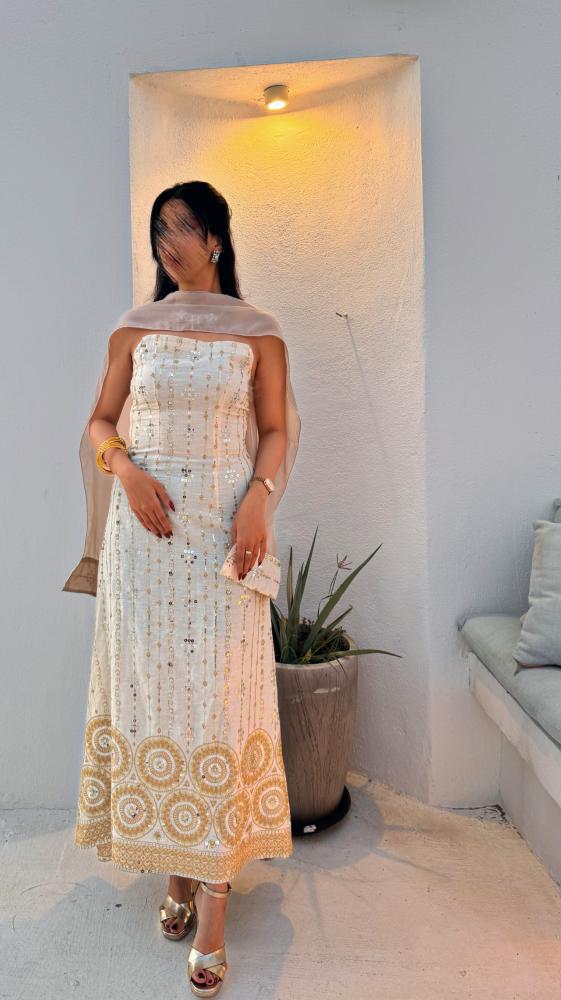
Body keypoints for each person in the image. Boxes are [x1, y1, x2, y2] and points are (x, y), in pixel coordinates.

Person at [64, 181, 301, 996]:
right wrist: (124, 470)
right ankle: (173, 868)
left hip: (227, 532)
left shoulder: (257, 331)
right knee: (157, 699)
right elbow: (100, 420)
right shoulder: (137, 325)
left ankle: (214, 904)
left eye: (185, 228)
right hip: (147, 538)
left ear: (217, 238)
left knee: (220, 704)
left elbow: (275, 429)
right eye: (160, 229)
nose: (169, 242)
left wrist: (259, 499)